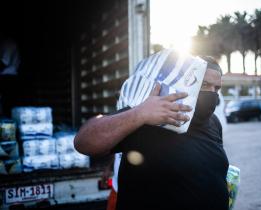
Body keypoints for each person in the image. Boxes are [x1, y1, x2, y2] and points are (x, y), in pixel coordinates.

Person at [74, 56, 229, 210]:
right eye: (204, 84)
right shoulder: (152, 116)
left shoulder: (213, 122)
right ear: (187, 82)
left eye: (217, 88)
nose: (212, 93)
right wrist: (139, 113)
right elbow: (84, 142)